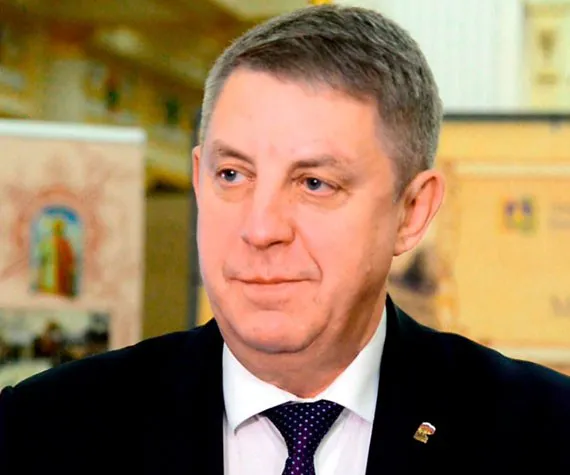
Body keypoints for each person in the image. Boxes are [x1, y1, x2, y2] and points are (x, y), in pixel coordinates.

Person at [1, 5, 569, 474]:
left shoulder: (543, 434)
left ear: (412, 212)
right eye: (232, 175)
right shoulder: (43, 430)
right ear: (199, 178)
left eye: (315, 183)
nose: (261, 228)